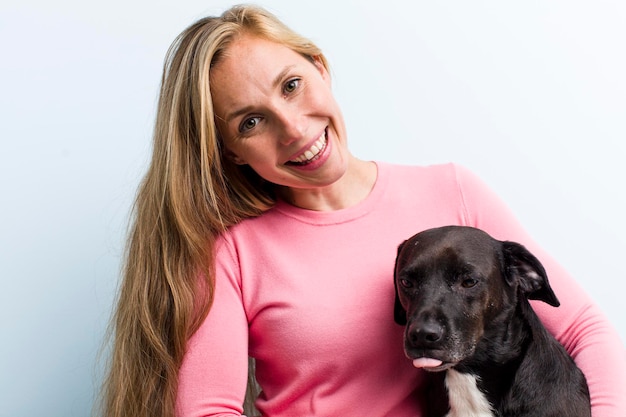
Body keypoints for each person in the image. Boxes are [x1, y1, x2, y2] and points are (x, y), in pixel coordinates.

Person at [100, 4, 626, 417]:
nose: (295, 127)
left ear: (319, 67)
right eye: (250, 123)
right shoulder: (233, 254)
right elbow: (208, 411)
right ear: (229, 152)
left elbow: (586, 330)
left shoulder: (453, 191)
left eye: (292, 85)